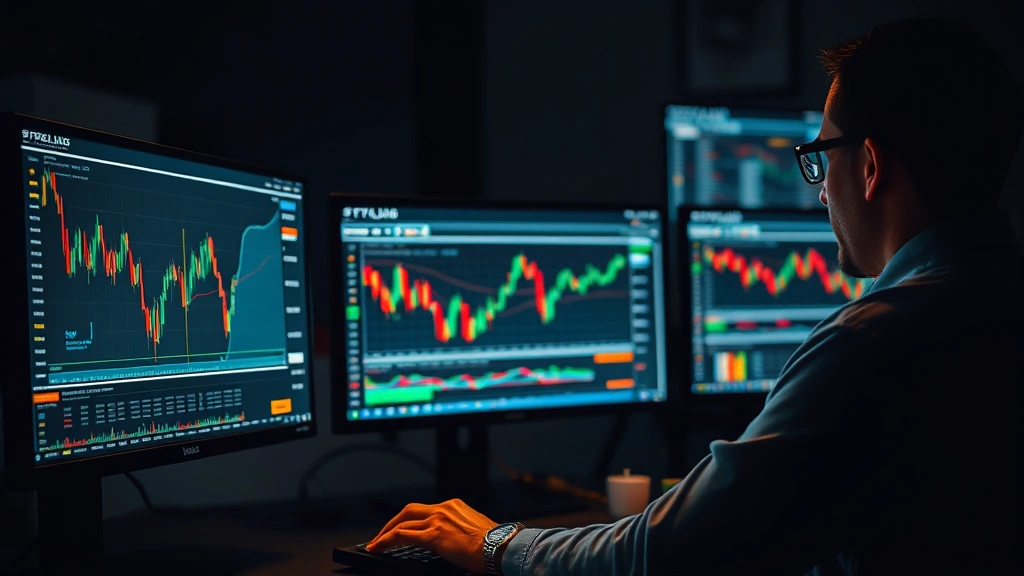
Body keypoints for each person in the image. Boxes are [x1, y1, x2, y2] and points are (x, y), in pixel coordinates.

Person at [366, 18, 1023, 575]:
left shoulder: (870, 343)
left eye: (821, 158)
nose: (820, 191)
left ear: (872, 166)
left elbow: (669, 552)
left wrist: (492, 543)